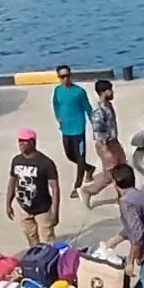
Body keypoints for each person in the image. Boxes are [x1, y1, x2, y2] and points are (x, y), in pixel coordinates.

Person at [7, 128, 60, 246]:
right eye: (19, 141)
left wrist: (55, 211)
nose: (21, 144)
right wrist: (8, 204)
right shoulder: (16, 160)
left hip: (43, 209)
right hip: (23, 208)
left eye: (24, 141)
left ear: (33, 142)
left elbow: (55, 188)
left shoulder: (46, 163)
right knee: (31, 237)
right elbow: (12, 182)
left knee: (48, 240)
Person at [79, 80, 127, 208]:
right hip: (106, 145)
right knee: (110, 176)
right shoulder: (98, 111)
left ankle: (122, 198)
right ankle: (88, 191)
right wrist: (105, 151)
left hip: (114, 142)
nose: (112, 92)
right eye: (110, 90)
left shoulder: (108, 105)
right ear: (103, 92)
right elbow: (98, 134)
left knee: (122, 170)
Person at [51, 64, 95, 194]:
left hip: (78, 129)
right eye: (62, 76)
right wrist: (58, 116)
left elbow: (88, 108)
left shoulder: (79, 91)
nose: (65, 79)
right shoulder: (58, 90)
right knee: (70, 155)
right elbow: (55, 104)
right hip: (66, 129)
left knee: (80, 157)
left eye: (67, 76)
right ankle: (89, 168)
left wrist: (94, 124)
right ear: (59, 77)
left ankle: (78, 186)